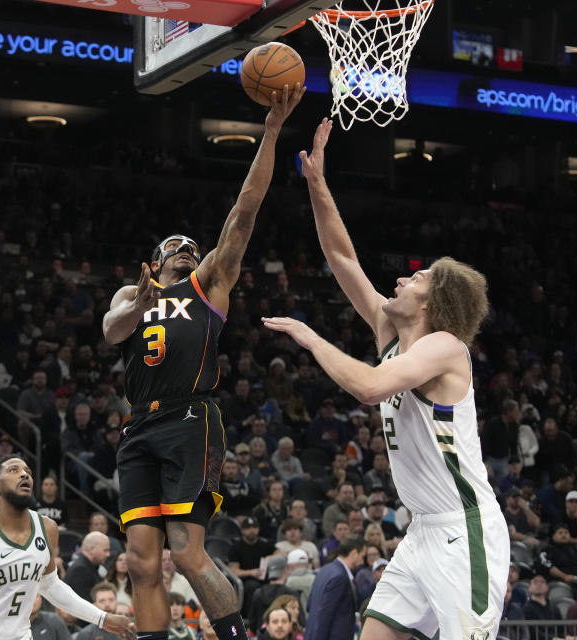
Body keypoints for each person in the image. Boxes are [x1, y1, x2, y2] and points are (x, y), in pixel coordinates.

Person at [264, 118, 510, 640]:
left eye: (415, 277)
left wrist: (311, 339)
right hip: (422, 532)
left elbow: (371, 386)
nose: (400, 278)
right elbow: (341, 257)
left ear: (433, 302)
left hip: (463, 532)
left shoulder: (445, 349)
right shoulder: (390, 330)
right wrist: (317, 184)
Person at [102, 85, 303, 640]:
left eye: (193, 246)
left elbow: (244, 211)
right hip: (139, 425)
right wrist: (138, 305)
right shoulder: (132, 293)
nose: (187, 250)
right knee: (141, 562)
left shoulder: (209, 284)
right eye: (175, 247)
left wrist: (269, 133)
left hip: (192, 418)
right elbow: (109, 331)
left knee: (187, 556)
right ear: (155, 261)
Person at [0, 455, 134, 640]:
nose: (24, 474)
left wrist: (102, 618)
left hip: (21, 635)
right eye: (13, 470)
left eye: (27, 471)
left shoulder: (47, 529)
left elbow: (51, 585)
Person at [303, 536, 366, 640]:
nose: (362, 562)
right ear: (354, 554)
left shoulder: (324, 570)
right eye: (362, 556)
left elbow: (310, 606)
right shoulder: (340, 577)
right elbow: (324, 615)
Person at [65, 531, 112, 604]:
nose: (108, 554)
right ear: (91, 549)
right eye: (105, 550)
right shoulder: (80, 570)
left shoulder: (89, 566)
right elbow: (84, 604)